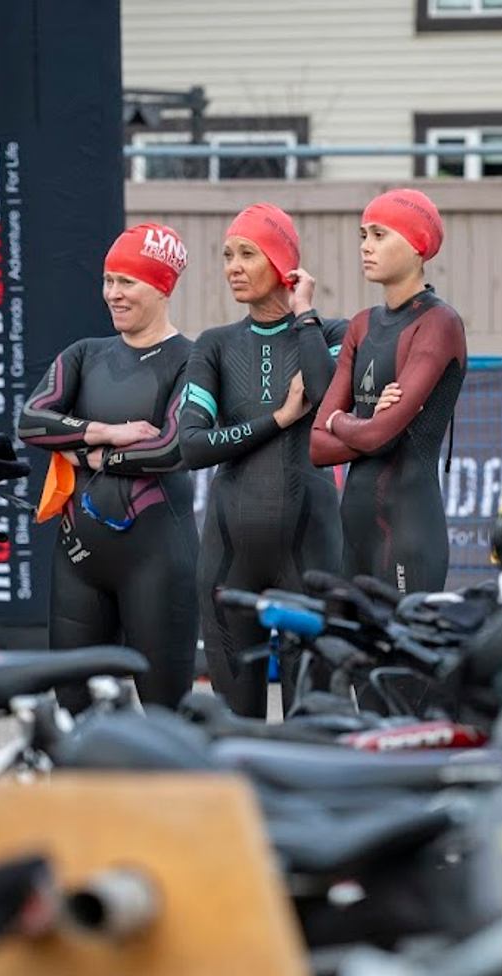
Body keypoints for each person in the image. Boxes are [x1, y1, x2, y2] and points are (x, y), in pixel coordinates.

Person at [17, 224, 197, 710]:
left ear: (162, 286)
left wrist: (85, 455)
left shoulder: (193, 359)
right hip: (79, 563)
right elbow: (30, 422)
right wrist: (104, 433)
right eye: (108, 280)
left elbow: (170, 449)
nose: (112, 294)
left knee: (166, 719)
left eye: (127, 282)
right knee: (73, 712)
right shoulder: (86, 354)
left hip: (157, 562)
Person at [178, 203, 347, 719]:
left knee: (311, 724)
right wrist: (276, 419)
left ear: (282, 263)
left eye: (247, 253)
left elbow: (324, 394)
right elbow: (192, 446)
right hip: (230, 559)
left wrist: (304, 314)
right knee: (234, 732)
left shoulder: (332, 333)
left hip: (311, 553)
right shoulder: (215, 345)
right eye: (227, 254)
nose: (232, 265)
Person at [312, 188, 467, 596]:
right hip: (355, 532)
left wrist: (338, 422)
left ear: (417, 244)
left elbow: (382, 436)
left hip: (409, 532)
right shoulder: (361, 325)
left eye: (379, 235)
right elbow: (316, 447)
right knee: (349, 658)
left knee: (401, 660)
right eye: (363, 236)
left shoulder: (438, 324)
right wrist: (360, 423)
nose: (366, 247)